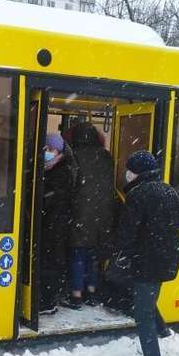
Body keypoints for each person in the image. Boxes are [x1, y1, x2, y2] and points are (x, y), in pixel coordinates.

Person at [111, 150, 179, 356]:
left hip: (147, 261)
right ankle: (162, 331)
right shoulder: (169, 191)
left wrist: (116, 249)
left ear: (137, 173)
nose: (127, 174)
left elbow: (127, 232)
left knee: (142, 313)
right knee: (146, 298)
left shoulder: (138, 195)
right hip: (168, 257)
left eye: (129, 171)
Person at [62, 123, 116, 310]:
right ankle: (92, 292)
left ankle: (76, 295)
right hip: (103, 215)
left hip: (79, 214)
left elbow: (70, 185)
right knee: (94, 256)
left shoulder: (73, 155)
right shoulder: (106, 156)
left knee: (77, 255)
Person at [39, 133, 74, 314]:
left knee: (51, 263)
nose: (47, 152)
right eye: (45, 148)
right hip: (48, 222)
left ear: (59, 152)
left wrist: (43, 197)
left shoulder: (62, 171)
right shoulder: (47, 168)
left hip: (56, 224)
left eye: (51, 149)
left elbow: (57, 196)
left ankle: (48, 301)